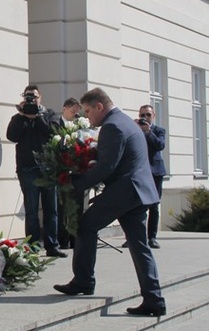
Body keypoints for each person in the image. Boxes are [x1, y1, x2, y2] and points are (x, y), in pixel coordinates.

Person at [54, 88, 166, 317]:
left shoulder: (113, 126)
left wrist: (75, 182)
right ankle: (154, 298)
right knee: (138, 244)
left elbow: (107, 167)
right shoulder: (125, 121)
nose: (86, 117)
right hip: (137, 191)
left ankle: (84, 281)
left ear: (99, 106)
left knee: (86, 225)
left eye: (87, 111)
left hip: (126, 190)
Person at [6, 85, 66, 257]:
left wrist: (38, 117)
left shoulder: (50, 114)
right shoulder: (19, 117)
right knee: (31, 210)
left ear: (41, 97)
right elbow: (12, 136)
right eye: (28, 96)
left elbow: (54, 133)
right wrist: (23, 117)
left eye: (34, 96)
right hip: (27, 168)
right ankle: (32, 247)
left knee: (50, 209)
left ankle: (52, 246)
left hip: (48, 168)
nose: (31, 99)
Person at [122, 105, 166, 249]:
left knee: (153, 205)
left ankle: (152, 237)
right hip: (138, 171)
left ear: (153, 115)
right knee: (134, 206)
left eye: (147, 115)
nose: (144, 118)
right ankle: (132, 237)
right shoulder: (135, 129)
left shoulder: (158, 130)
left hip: (155, 172)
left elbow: (160, 145)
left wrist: (148, 132)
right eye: (142, 115)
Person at [57, 98, 85, 249]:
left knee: (77, 206)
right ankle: (63, 239)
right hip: (60, 170)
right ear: (64, 109)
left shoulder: (79, 126)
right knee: (62, 207)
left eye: (77, 112)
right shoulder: (56, 124)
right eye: (73, 111)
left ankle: (75, 239)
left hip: (77, 170)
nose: (75, 114)